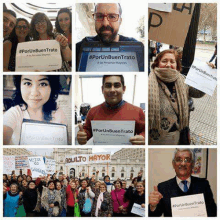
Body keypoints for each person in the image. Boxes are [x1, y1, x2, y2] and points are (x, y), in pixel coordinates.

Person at [148, 49, 205, 145]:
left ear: (177, 65)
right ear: (157, 63)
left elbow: (198, 93)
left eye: (172, 61)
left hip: (177, 134)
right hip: (156, 137)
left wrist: (207, 72)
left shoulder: (182, 80)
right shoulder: (149, 83)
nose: (168, 64)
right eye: (164, 61)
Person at [77, 75, 145, 145]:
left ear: (123, 89)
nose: (112, 90)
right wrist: (82, 136)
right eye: (108, 86)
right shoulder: (92, 112)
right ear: (102, 89)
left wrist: (143, 137)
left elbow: (146, 131)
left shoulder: (137, 112)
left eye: (116, 85)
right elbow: (87, 131)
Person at [148, 149, 217, 217]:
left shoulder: (203, 184)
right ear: (173, 164)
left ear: (192, 164)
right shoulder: (163, 187)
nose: (183, 163)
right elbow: (154, 215)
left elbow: (213, 212)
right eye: (179, 160)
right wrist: (152, 206)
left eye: (187, 160)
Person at [3, 75, 67, 145]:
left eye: (43, 84)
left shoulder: (58, 112)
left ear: (52, 87)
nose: (35, 93)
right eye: (28, 83)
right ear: (20, 86)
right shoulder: (14, 114)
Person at [76, 3, 141, 65]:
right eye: (99, 16)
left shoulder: (136, 48)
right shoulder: (81, 47)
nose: (105, 23)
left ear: (120, 21)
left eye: (112, 17)